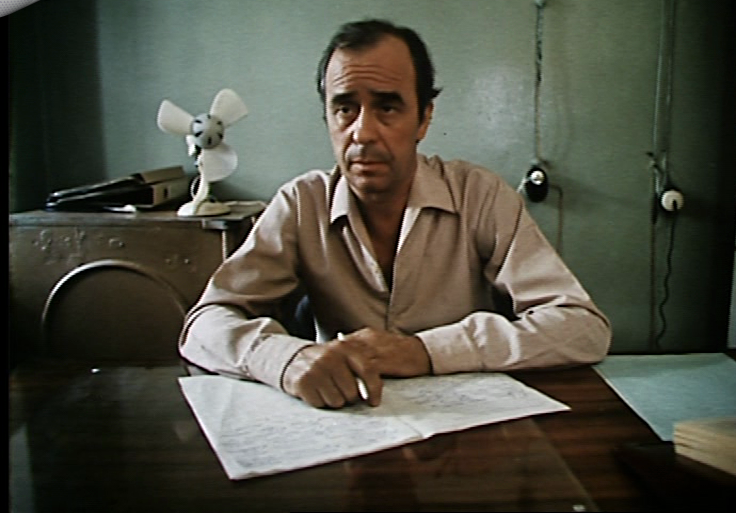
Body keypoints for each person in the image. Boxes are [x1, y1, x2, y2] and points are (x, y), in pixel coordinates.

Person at [179, 18, 611, 409]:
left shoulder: (479, 196)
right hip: (347, 425)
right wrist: (285, 358)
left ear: (424, 119)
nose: (362, 132)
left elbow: (583, 327)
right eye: (344, 108)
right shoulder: (301, 203)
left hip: (469, 431)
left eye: (387, 107)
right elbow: (203, 325)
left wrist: (425, 352)